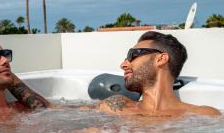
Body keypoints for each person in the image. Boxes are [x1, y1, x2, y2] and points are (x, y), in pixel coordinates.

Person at [91, 31, 221, 117]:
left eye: (133, 55)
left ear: (161, 59)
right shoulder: (115, 106)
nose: (123, 64)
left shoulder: (205, 115)